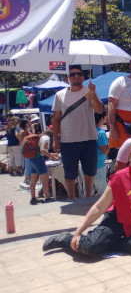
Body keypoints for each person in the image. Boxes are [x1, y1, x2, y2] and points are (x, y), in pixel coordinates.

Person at [42, 138, 131, 256]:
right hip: (119, 218)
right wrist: (78, 232)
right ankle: (66, 239)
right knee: (91, 248)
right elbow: (99, 206)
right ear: (130, 156)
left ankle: (106, 243)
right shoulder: (120, 177)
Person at [52, 65, 104, 198]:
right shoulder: (60, 95)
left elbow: (99, 110)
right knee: (70, 172)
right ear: (67, 78)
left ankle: (88, 196)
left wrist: (93, 94)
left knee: (90, 171)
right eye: (73, 74)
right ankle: (71, 197)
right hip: (68, 139)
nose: (76, 76)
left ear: (83, 76)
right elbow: (56, 119)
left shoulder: (89, 91)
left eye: (79, 74)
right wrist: (55, 139)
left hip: (89, 137)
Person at [27, 129, 59, 205]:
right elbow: (42, 150)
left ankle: (33, 198)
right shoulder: (46, 138)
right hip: (39, 160)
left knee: (33, 180)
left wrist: (51, 154)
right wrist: (52, 156)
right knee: (45, 179)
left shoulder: (41, 137)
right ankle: (47, 197)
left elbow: (41, 150)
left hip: (33, 158)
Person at [94, 112, 110, 195]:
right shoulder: (101, 133)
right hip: (99, 166)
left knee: (87, 193)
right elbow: (104, 151)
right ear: (102, 119)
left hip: (85, 166)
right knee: (103, 193)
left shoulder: (87, 131)